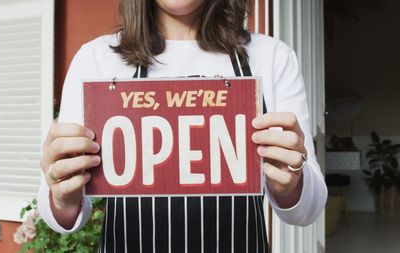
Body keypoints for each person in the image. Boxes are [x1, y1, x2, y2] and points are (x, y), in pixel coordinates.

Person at [38, 0, 328, 252]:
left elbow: (307, 210)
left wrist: (291, 184)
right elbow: (62, 217)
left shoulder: (272, 57)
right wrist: (62, 196)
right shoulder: (96, 59)